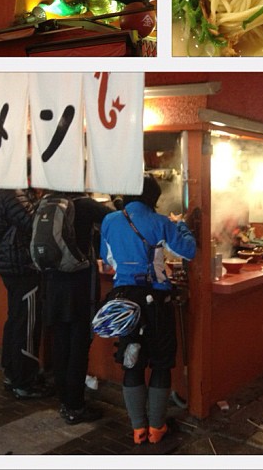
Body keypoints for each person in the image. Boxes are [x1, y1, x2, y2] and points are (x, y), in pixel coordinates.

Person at [100, 174, 197, 445]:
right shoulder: (161, 222)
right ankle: (157, 429)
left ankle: (137, 429)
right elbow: (189, 252)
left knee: (132, 359)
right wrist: (183, 226)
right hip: (155, 302)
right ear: (153, 198)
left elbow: (108, 261)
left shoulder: (110, 220)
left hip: (123, 301)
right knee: (161, 361)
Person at [42, 191, 114, 425]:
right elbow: (117, 220)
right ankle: (75, 406)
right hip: (79, 286)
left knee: (61, 343)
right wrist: (117, 198)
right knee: (78, 346)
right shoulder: (86, 204)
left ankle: (65, 401)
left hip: (53, 284)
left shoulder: (48, 201)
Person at [0, 187, 51, 399]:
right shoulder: (14, 193)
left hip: (12, 264)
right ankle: (24, 381)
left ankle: (12, 374)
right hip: (22, 267)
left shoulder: (0, 191)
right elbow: (35, 223)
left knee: (16, 321)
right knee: (27, 324)